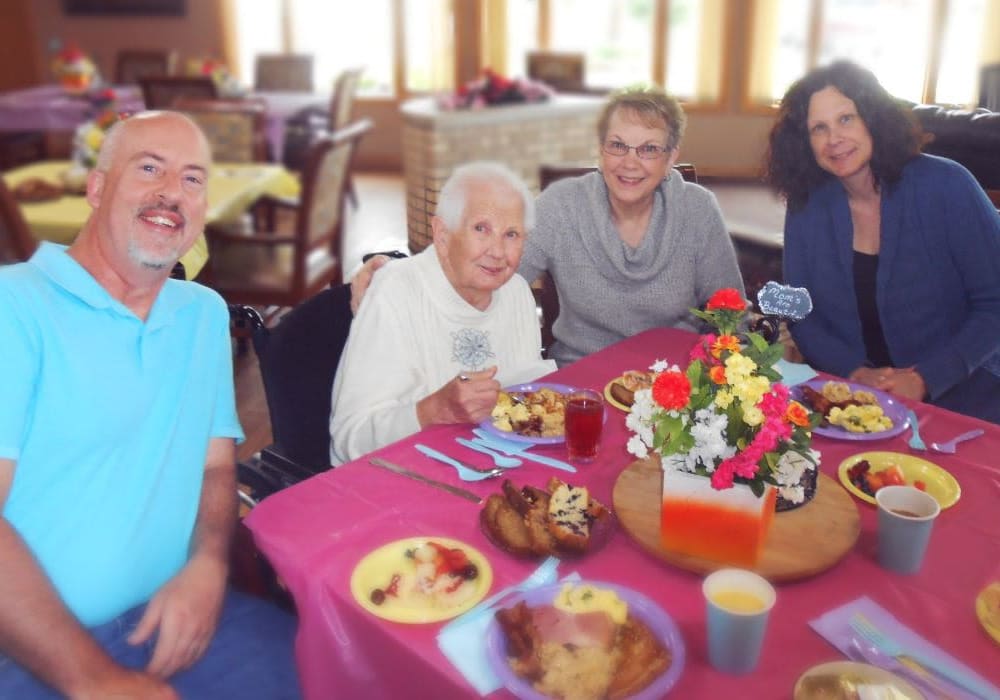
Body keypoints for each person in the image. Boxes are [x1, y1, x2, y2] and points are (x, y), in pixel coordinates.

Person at [0, 111, 301, 699]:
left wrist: (209, 567)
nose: (172, 191)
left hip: (178, 618)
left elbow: (216, 468)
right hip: (29, 645)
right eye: (148, 168)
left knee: (321, 665)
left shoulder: (203, 315)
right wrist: (95, 680)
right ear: (96, 187)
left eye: (192, 179)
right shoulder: (14, 308)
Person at [352, 86, 745, 367]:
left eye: (649, 149)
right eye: (617, 145)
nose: (630, 162)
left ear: (671, 156)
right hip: (581, 381)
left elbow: (731, 313)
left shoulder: (696, 210)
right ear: (600, 147)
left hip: (675, 384)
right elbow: (490, 264)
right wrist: (397, 270)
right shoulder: (562, 206)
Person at [765, 60, 1000, 423]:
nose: (834, 139)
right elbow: (799, 311)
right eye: (819, 128)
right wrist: (853, 371)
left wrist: (926, 378)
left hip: (968, 393)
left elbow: (994, 304)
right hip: (859, 400)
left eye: (846, 119)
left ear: (873, 118)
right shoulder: (806, 203)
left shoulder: (948, 185)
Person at [330, 161, 556, 464]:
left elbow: (520, 410)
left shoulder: (516, 292)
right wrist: (433, 412)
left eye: (512, 234)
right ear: (442, 233)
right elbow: (348, 439)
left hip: (485, 468)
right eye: (481, 229)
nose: (498, 252)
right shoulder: (395, 293)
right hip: (398, 479)